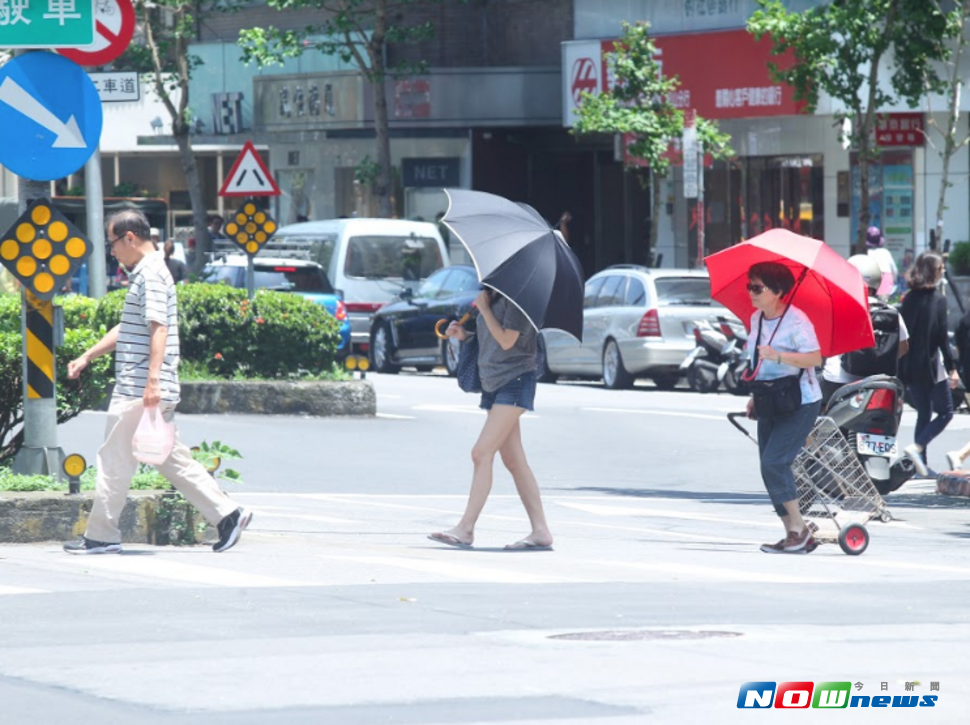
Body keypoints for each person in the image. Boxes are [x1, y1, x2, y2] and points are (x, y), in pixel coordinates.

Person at [62, 210, 250, 555]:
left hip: (139, 389)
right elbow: (130, 327)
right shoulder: (150, 273)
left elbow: (158, 328)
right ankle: (228, 514)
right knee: (167, 457)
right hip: (145, 387)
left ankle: (101, 536)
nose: (112, 251)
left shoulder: (150, 274)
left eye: (113, 243)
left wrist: (151, 383)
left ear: (129, 238)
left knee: (113, 460)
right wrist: (89, 355)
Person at [429, 287, 552, 550]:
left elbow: (508, 340)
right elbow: (494, 339)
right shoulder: (495, 295)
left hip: (515, 381)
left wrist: (484, 309)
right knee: (515, 461)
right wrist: (466, 335)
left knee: (481, 453)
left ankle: (466, 528)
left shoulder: (520, 298)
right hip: (494, 384)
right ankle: (541, 531)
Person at [744, 262, 823, 554]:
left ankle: (800, 530)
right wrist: (754, 396)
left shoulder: (797, 321)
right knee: (768, 466)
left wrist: (778, 356)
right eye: (749, 286)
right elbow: (758, 362)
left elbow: (815, 358)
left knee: (774, 463)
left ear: (778, 292)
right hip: (768, 399)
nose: (751, 293)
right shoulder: (756, 319)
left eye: (757, 287)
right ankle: (792, 533)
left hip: (799, 400)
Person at [900, 251, 960, 477]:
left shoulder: (909, 298)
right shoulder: (938, 299)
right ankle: (917, 447)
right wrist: (953, 368)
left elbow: (904, 334)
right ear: (933, 272)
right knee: (946, 412)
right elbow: (942, 338)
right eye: (941, 268)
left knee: (923, 413)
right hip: (932, 365)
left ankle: (920, 465)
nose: (943, 271)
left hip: (910, 367)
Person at [820, 254, 909, 406]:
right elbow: (903, 348)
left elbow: (824, 347)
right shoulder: (890, 312)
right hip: (878, 383)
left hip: (838, 380)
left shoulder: (839, 309)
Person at [866, 226, 898, 300]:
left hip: (872, 280)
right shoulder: (885, 252)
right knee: (884, 304)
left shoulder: (867, 253)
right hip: (886, 278)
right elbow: (895, 271)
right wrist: (893, 281)